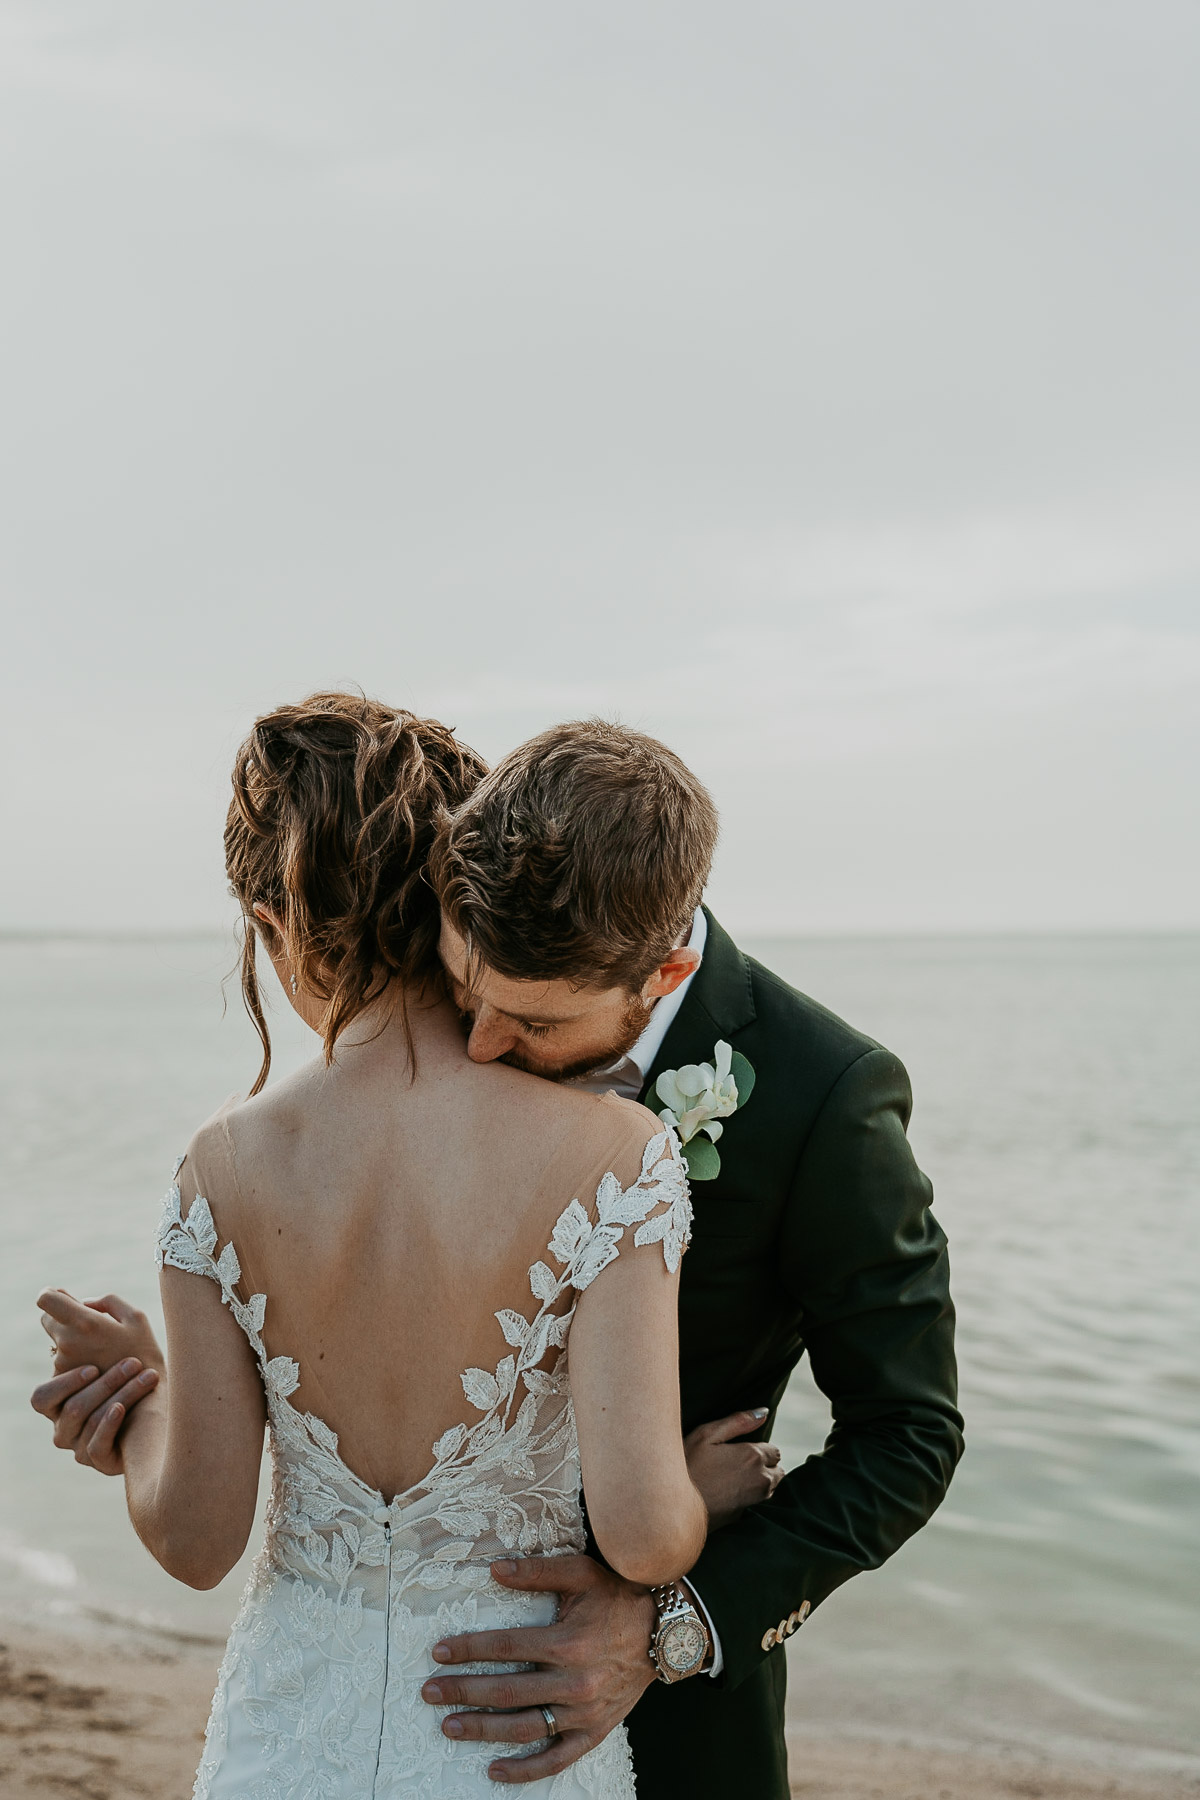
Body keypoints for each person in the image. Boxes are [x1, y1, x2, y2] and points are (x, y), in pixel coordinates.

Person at [32, 693, 777, 1799]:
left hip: (286, 1746)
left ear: (269, 919)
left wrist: (146, 1407)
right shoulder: (615, 1153)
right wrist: (700, 1497)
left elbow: (195, 1538)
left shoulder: (220, 1167)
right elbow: (640, 1535)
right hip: (512, 1744)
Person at [407, 718, 965, 1798]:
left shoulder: (824, 1097)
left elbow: (909, 1434)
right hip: (421, 1659)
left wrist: (671, 1623)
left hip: (675, 1725)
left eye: (527, 1021)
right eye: (462, 988)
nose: (472, 1046)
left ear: (662, 971)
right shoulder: (442, 1009)